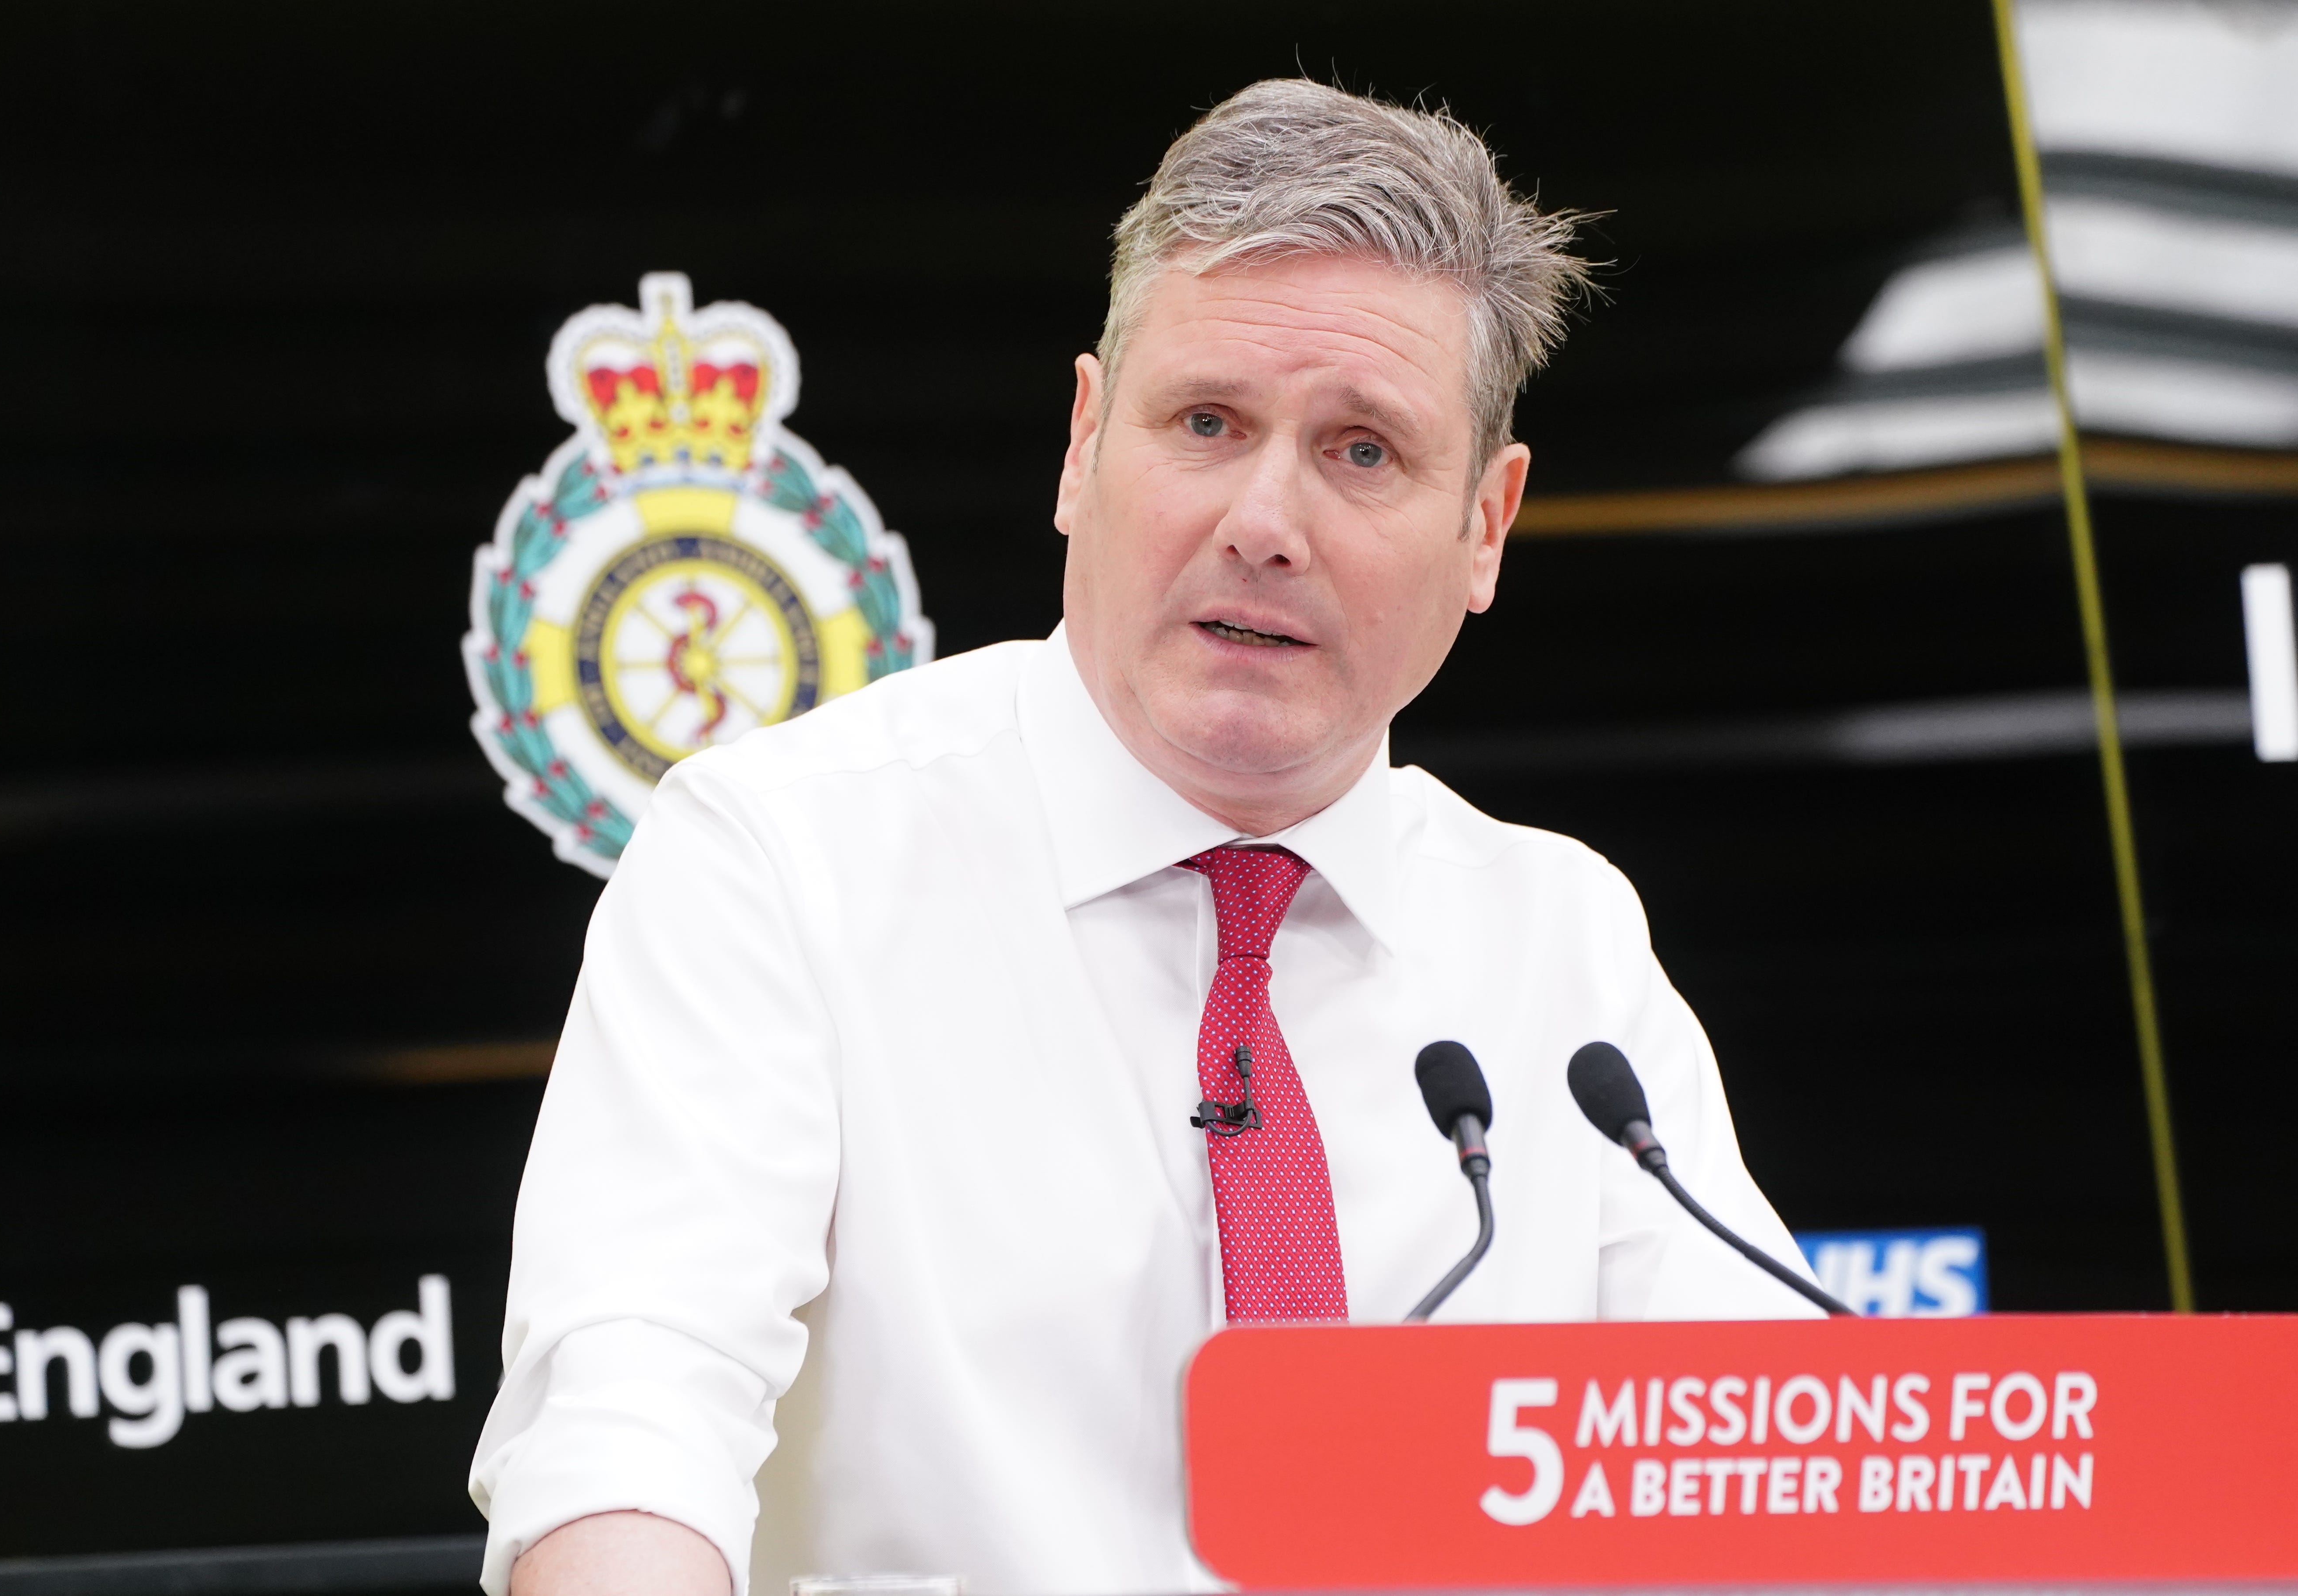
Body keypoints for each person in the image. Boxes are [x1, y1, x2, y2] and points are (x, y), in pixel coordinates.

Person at [470, 77, 1819, 1596]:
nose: (1265, 519)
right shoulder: (781, 861)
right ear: (1083, 443)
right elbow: (628, 1428)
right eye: (1206, 422)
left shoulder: (1564, 947)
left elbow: (1757, 1476)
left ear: (1488, 525)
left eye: (1363, 450)